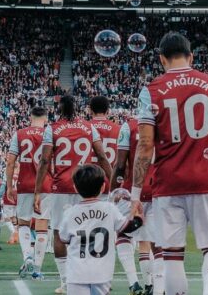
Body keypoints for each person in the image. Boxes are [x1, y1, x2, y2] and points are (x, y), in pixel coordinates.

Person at [130, 32, 208, 295]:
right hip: (206, 179)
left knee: (172, 255)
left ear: (162, 59)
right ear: (191, 56)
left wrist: (136, 194)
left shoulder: (150, 91)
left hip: (168, 182)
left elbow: (145, 145)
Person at [35, 96, 113, 294]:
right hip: (86, 185)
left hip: (61, 187)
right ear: (77, 108)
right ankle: (96, 278)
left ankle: (66, 281)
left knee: (59, 233)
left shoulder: (51, 129)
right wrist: (113, 182)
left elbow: (44, 161)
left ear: (59, 109)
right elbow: (102, 156)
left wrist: (38, 191)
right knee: (90, 231)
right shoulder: (89, 128)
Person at [58, 165, 143, 295]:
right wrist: (139, 218)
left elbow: (63, 238)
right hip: (102, 273)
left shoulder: (70, 213)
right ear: (103, 186)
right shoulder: (109, 209)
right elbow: (127, 227)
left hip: (76, 272)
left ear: (75, 188)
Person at [90, 96, 142, 295]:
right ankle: (141, 281)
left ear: (90, 109)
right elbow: (124, 163)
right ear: (109, 109)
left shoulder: (86, 128)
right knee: (123, 233)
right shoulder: (119, 128)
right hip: (116, 185)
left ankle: (100, 281)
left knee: (95, 236)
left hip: (90, 186)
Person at [113, 116, 162, 295]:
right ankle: (156, 286)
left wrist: (114, 191)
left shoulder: (129, 126)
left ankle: (134, 282)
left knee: (124, 233)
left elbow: (120, 164)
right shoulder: (166, 124)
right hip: (158, 189)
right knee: (156, 242)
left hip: (132, 188)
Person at [6, 106, 52, 280]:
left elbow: (11, 162)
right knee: (42, 226)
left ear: (30, 117)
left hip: (25, 184)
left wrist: (9, 186)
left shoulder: (19, 134)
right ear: (45, 118)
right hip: (45, 185)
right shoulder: (50, 133)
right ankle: (37, 268)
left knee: (24, 223)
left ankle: (28, 256)